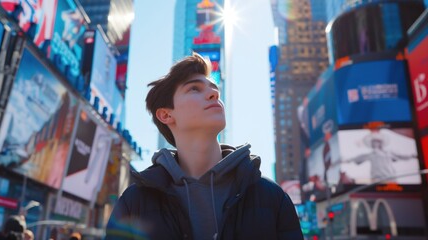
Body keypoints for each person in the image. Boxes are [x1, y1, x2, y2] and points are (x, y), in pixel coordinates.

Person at [105, 53, 302, 239]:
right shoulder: (134, 202)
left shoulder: (272, 197)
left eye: (214, 88)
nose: (213, 94)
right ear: (166, 115)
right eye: (194, 89)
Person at [343, 131, 417, 182]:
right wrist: (347, 160)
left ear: (380, 143)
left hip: (390, 179)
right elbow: (358, 158)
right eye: (373, 142)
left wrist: (411, 156)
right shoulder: (371, 154)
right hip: (377, 180)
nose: (374, 143)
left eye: (376, 141)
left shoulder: (389, 153)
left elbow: (401, 156)